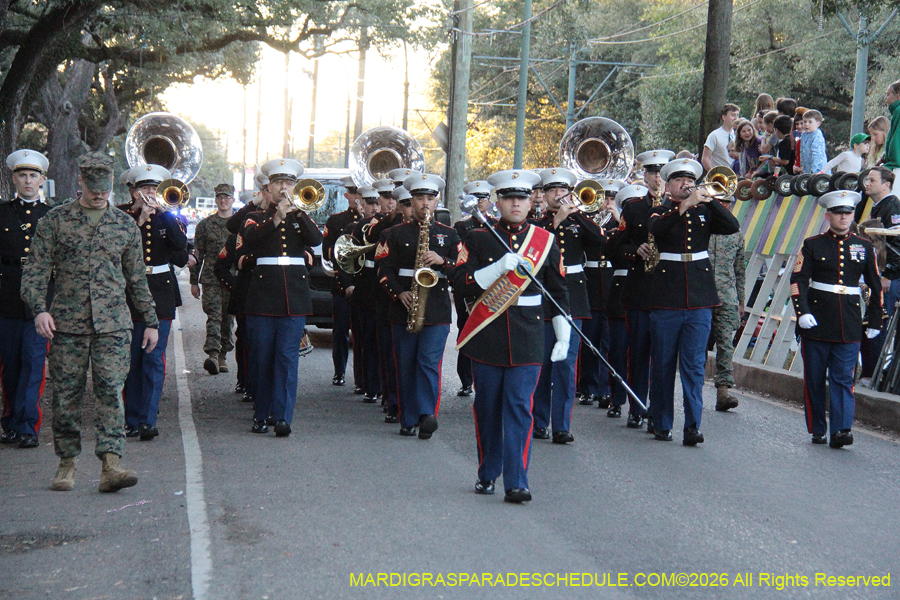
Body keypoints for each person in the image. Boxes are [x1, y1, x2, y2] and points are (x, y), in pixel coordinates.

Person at [22, 151, 159, 492]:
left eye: (104, 189)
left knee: (110, 393)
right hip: (67, 325)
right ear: (81, 181)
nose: (99, 195)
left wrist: (151, 321)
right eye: (93, 189)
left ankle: (111, 465)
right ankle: (66, 462)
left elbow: (136, 279)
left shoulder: (124, 225)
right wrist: (39, 309)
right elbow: (35, 270)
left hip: (113, 325)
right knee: (66, 394)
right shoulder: (56, 221)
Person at [455, 169, 569, 504]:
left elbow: (559, 293)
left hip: (529, 335)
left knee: (520, 407)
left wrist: (562, 337)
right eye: (508, 198)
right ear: (498, 201)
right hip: (487, 334)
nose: (515, 204)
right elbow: (459, 282)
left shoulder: (544, 241)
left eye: (521, 198)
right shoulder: (478, 238)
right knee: (488, 408)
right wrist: (496, 268)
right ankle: (488, 472)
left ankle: (517, 481)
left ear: (531, 201)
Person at [646, 158, 740, 444]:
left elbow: (732, 225)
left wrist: (710, 199)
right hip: (667, 298)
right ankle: (662, 422)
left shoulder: (704, 210)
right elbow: (657, 232)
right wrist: (685, 205)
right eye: (679, 181)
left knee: (694, 366)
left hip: (699, 298)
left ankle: (692, 426)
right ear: (668, 186)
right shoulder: (660, 211)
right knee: (663, 365)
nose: (686, 185)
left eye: (689, 181)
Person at [790, 190, 882, 447]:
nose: (844, 217)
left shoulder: (864, 246)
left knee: (843, 377)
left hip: (849, 322)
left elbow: (875, 285)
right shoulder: (813, 244)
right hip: (817, 320)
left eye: (848, 213)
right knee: (815, 379)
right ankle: (818, 428)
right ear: (828, 216)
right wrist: (802, 312)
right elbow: (798, 280)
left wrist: (875, 319)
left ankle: (841, 430)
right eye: (838, 213)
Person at [239, 158, 323, 437]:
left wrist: (298, 213)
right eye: (278, 183)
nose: (283, 187)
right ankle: (261, 414)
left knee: (287, 359)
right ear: (269, 188)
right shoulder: (256, 217)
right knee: (262, 358)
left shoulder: (301, 216)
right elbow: (249, 238)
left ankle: (283, 417)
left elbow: (315, 240)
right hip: (263, 298)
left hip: (294, 298)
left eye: (288, 183)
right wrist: (276, 217)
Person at [375, 173, 459, 439]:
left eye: (429, 199)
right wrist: (398, 293)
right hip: (405, 306)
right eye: (419, 198)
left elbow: (462, 269)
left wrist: (443, 261)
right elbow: (383, 270)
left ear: (436, 202)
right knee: (405, 364)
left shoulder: (449, 234)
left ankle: (426, 415)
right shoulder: (393, 234)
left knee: (428, 363)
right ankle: (407, 418)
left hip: (437, 309)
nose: (424, 204)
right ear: (410, 202)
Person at [532, 167, 605, 444]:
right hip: (544, 295)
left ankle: (561, 425)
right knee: (542, 363)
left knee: (566, 364)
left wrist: (578, 214)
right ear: (543, 195)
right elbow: (534, 250)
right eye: (552, 190)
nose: (558, 195)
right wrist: (556, 221)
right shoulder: (537, 223)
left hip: (574, 295)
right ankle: (539, 422)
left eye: (563, 190)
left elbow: (600, 241)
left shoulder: (578, 221)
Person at [117, 164, 188, 441]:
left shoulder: (168, 218)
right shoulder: (121, 215)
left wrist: (165, 215)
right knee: (132, 359)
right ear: (134, 191)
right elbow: (115, 250)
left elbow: (180, 251)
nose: (149, 193)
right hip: (129, 292)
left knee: (153, 358)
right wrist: (139, 219)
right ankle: (131, 419)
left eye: (154, 188)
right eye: (144, 188)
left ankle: (148, 420)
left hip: (160, 292)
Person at [618, 149, 674, 430]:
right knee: (638, 354)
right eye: (653, 173)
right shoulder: (633, 207)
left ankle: (659, 412)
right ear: (645, 176)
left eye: (662, 174)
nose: (657, 179)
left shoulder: (678, 207)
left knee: (663, 358)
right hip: (640, 290)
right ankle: (637, 407)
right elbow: (615, 247)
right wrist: (634, 251)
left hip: (668, 291)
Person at [0, 149, 52, 449]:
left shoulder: (52, 216)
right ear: (14, 179)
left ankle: (28, 426)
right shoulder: (3, 212)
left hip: (40, 302)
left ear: (42, 180)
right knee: (10, 366)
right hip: (7, 297)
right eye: (23, 175)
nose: (28, 180)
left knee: (33, 364)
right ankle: (10, 422)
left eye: (33, 175)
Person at [577, 178, 623, 408]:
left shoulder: (620, 223)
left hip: (611, 281)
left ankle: (605, 389)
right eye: (605, 199)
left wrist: (620, 220)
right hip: (591, 283)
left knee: (608, 341)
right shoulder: (587, 221)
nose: (608, 204)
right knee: (589, 340)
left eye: (613, 199)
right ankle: (587, 387)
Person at [452, 180, 496, 397]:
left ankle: (484, 380)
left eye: (484, 198)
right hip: (470, 284)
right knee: (466, 329)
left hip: (493, 285)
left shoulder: (496, 224)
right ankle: (466, 380)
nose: (479, 202)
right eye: (476, 198)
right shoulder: (462, 226)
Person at [339, 185, 382, 403]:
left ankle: (384, 387)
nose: (375, 207)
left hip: (387, 286)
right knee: (367, 340)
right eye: (371, 203)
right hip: (366, 287)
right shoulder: (359, 227)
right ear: (362, 204)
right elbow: (347, 259)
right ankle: (368, 383)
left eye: (378, 203)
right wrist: (348, 285)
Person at [190, 184, 236, 375]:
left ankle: (223, 354)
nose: (223, 201)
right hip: (211, 278)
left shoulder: (240, 224)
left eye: (227, 197)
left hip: (232, 278)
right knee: (214, 316)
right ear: (216, 200)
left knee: (228, 318)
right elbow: (197, 255)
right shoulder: (205, 225)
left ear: (233, 199)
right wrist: (194, 281)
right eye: (220, 197)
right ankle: (213, 354)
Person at [321, 175, 361, 387]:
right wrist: (342, 250)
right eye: (354, 193)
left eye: (361, 193)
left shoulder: (376, 223)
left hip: (365, 283)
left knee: (363, 333)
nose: (358, 197)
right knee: (340, 330)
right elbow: (327, 252)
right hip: (342, 283)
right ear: (347, 195)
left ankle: (362, 376)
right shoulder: (336, 221)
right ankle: (339, 371)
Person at [708, 193, 746, 411]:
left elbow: (740, 269)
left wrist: (741, 300)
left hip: (726, 296)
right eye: (720, 202)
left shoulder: (735, 233)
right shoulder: (702, 228)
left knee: (725, 343)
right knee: (698, 345)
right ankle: (693, 388)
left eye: (727, 203)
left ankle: (723, 391)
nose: (724, 206)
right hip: (701, 296)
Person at [701, 103, 740, 171]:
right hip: (720, 173)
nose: (736, 118)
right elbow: (705, 158)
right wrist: (714, 173)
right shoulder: (714, 135)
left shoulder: (739, 134)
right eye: (733, 115)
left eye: (737, 115)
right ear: (724, 117)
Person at [883, 80, 900, 195]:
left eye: (888, 94)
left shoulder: (899, 110)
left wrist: (891, 162)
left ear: (897, 95)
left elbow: (896, 140)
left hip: (896, 167)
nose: (886, 98)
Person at [799, 110, 827, 174]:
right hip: (807, 168)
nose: (806, 124)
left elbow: (816, 153)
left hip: (818, 169)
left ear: (818, 124)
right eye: (804, 122)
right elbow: (802, 150)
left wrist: (813, 170)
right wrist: (803, 165)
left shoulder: (817, 135)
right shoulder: (803, 135)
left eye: (810, 122)